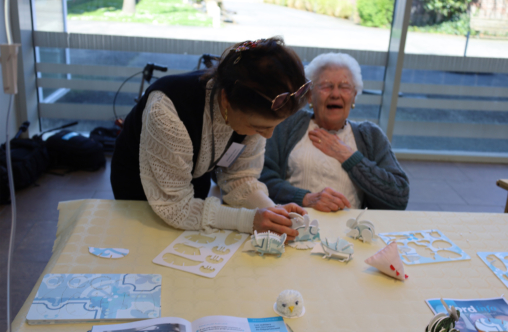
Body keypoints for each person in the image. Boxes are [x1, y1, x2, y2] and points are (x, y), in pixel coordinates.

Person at [111, 38, 311, 239]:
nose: (267, 135)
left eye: (273, 126)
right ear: (225, 100)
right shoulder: (167, 110)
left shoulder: (251, 107)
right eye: (258, 126)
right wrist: (249, 220)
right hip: (140, 190)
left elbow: (240, 177)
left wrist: (270, 211)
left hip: (191, 180)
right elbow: (176, 208)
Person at [260, 52, 409, 212]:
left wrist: (349, 157)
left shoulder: (370, 135)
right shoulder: (288, 125)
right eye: (326, 86)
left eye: (344, 87)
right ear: (310, 95)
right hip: (296, 223)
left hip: (350, 231)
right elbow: (261, 177)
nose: (335, 94)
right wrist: (305, 199)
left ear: (353, 96)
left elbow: (399, 197)